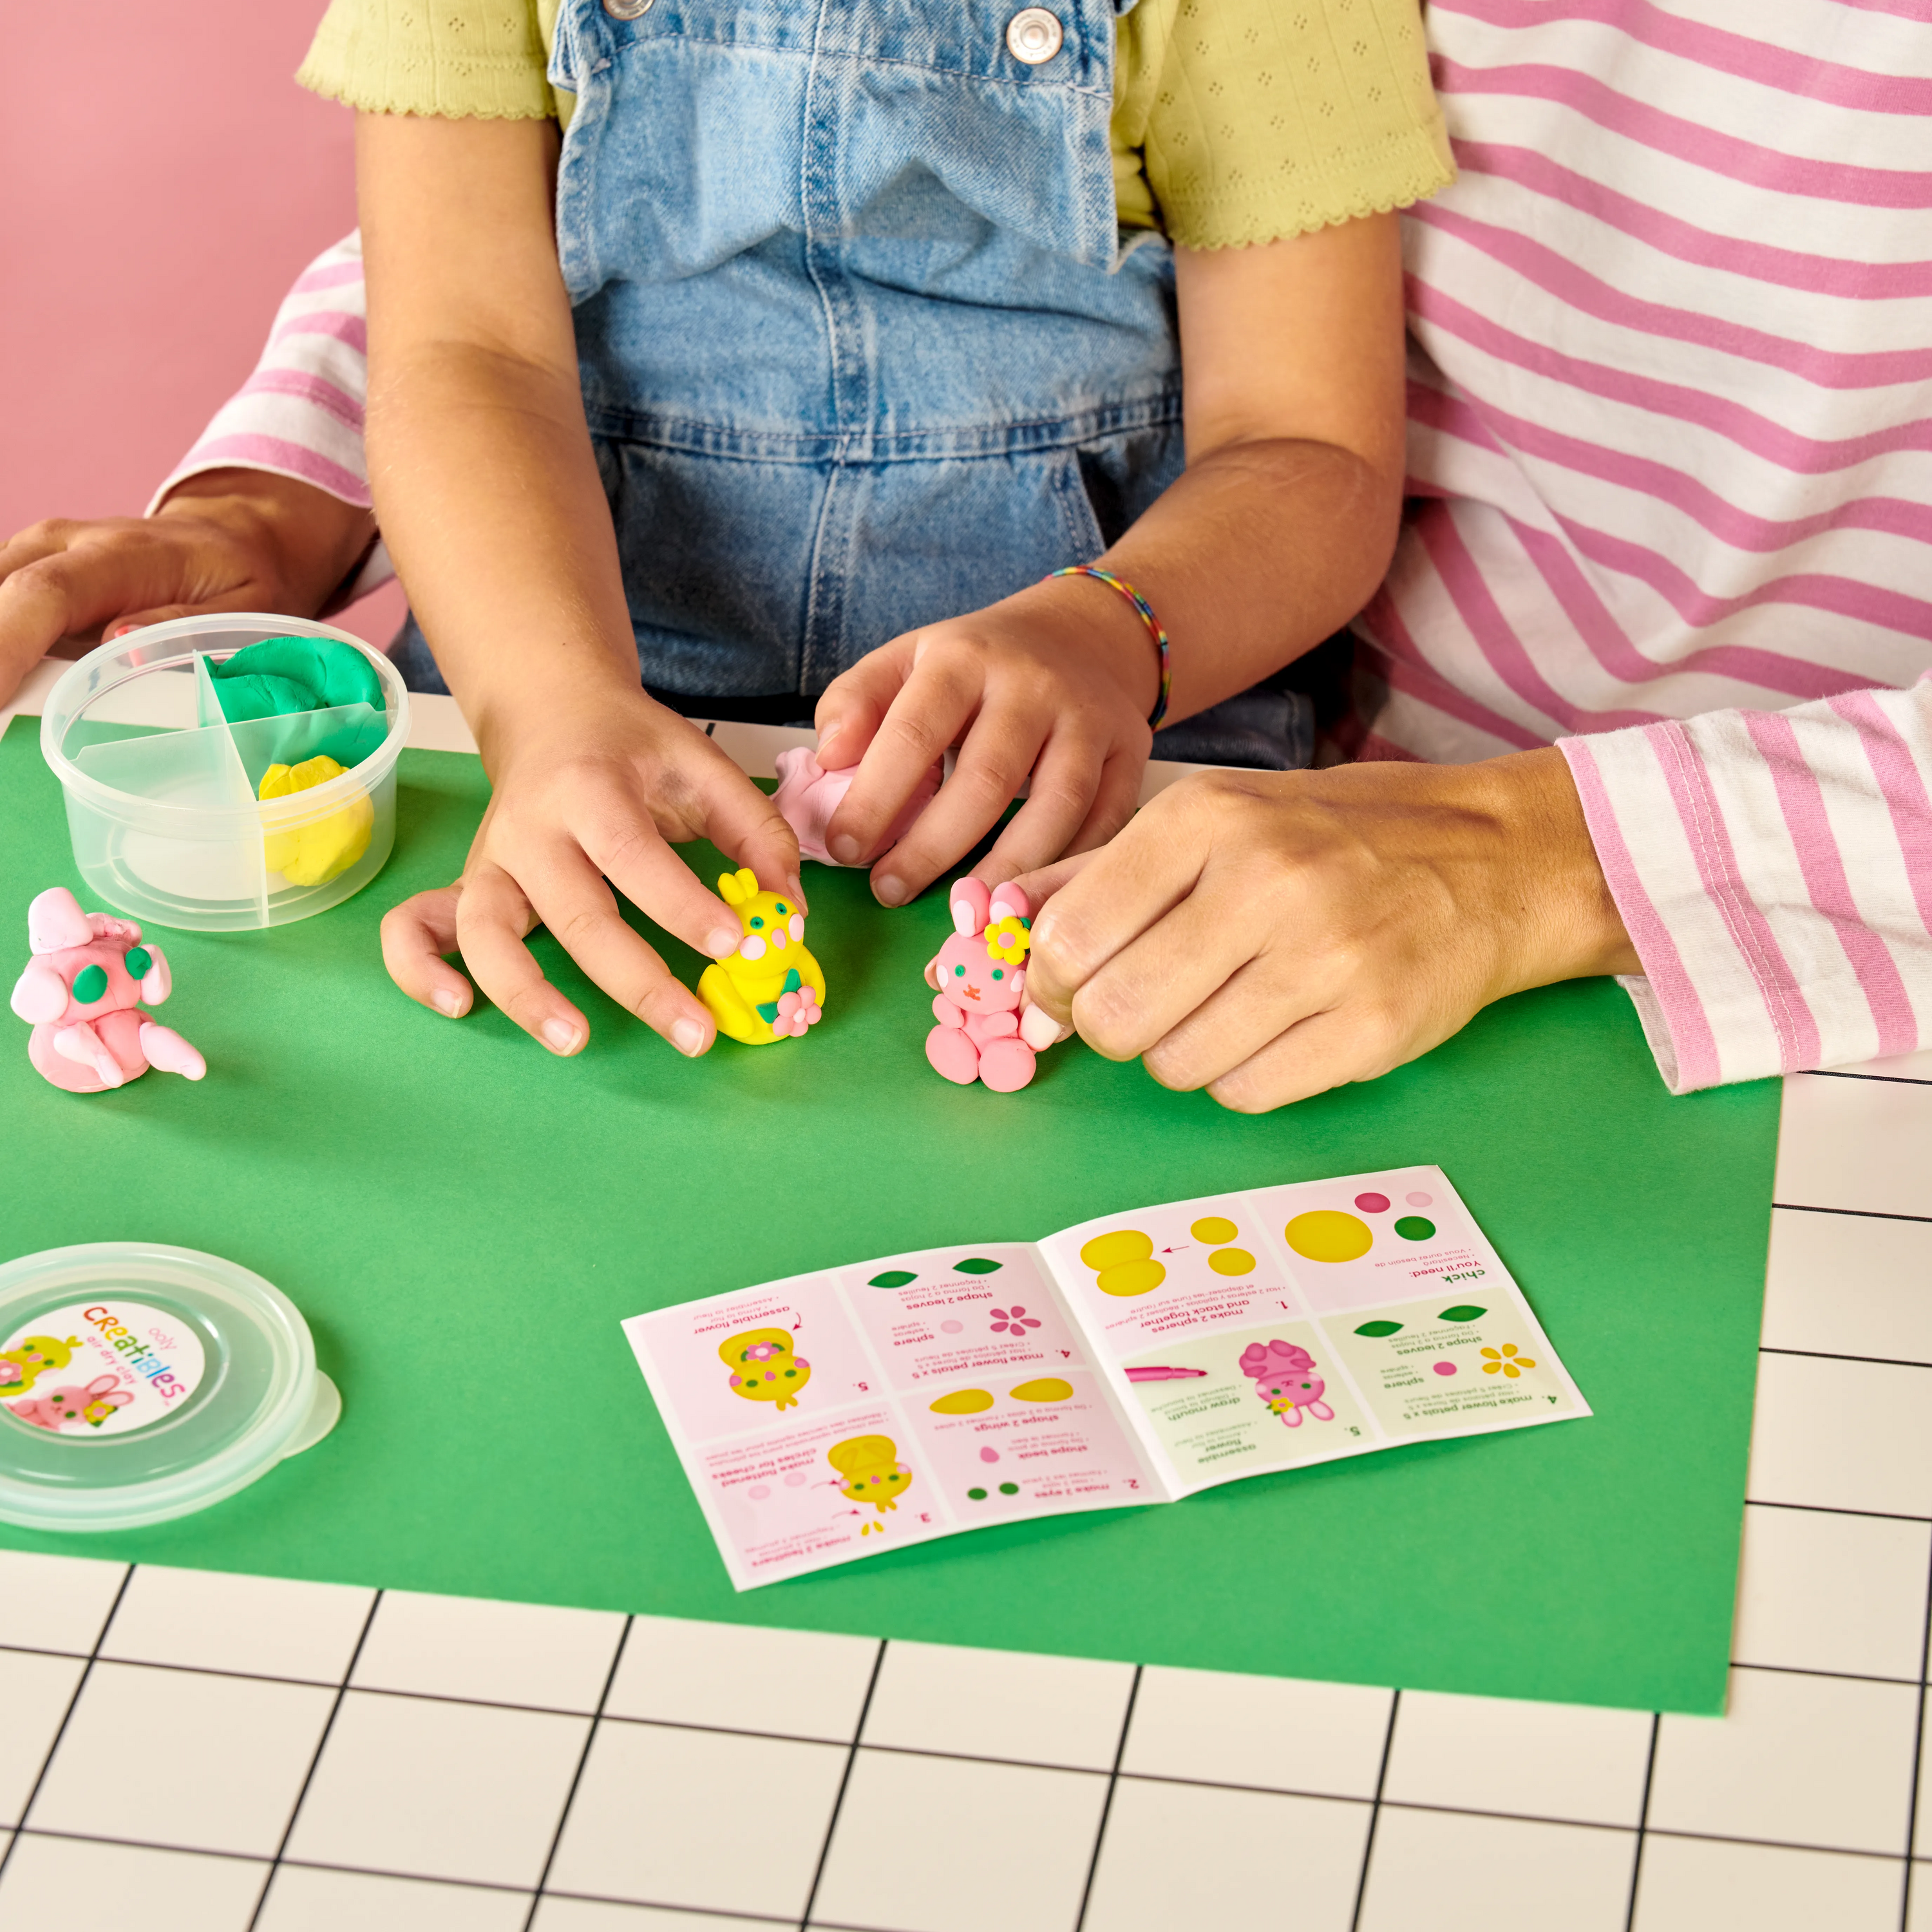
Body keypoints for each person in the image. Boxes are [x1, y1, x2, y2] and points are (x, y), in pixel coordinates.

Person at [14, 0, 1927, 1111]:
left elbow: (1313, 448)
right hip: (571, 725)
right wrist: (544, 703)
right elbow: (466, 337)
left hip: (1136, 800)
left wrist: (1111, 635)